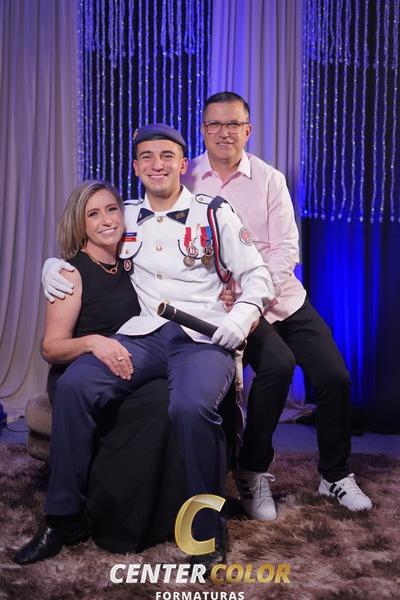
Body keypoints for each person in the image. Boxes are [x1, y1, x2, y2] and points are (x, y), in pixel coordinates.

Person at [34, 124, 276, 573]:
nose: (157, 164)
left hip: (202, 338)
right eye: (146, 156)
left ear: (183, 164)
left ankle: (206, 533)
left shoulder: (214, 212)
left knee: (189, 407)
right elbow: (90, 240)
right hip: (143, 334)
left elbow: (258, 275)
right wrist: (54, 265)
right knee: (75, 386)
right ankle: (63, 517)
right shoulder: (123, 214)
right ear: (135, 167)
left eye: (167, 155)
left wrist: (240, 317)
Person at [182, 91, 372, 518]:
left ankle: (334, 475)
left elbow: (286, 250)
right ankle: (252, 470)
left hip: (281, 299)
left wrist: (253, 293)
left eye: (234, 124)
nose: (224, 132)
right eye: (215, 124)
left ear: (247, 130)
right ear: (203, 130)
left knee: (334, 377)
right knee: (277, 369)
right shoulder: (188, 178)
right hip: (227, 308)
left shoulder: (269, 179)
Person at [14, 180, 186, 564]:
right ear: (80, 224)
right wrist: (93, 342)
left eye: (111, 210)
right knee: (84, 390)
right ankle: (61, 519)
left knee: (169, 399)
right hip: (81, 371)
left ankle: (149, 517)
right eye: (93, 214)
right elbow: (51, 347)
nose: (106, 220)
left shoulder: (134, 263)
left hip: (129, 367)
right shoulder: (70, 273)